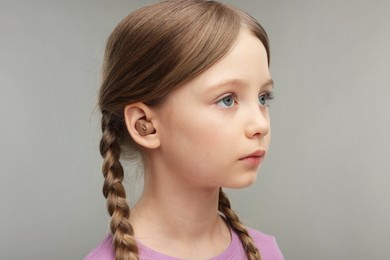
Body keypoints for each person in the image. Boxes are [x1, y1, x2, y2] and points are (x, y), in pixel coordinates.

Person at [85, 0, 284, 259]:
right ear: (145, 126)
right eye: (227, 100)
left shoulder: (266, 252)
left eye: (263, 98)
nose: (261, 124)